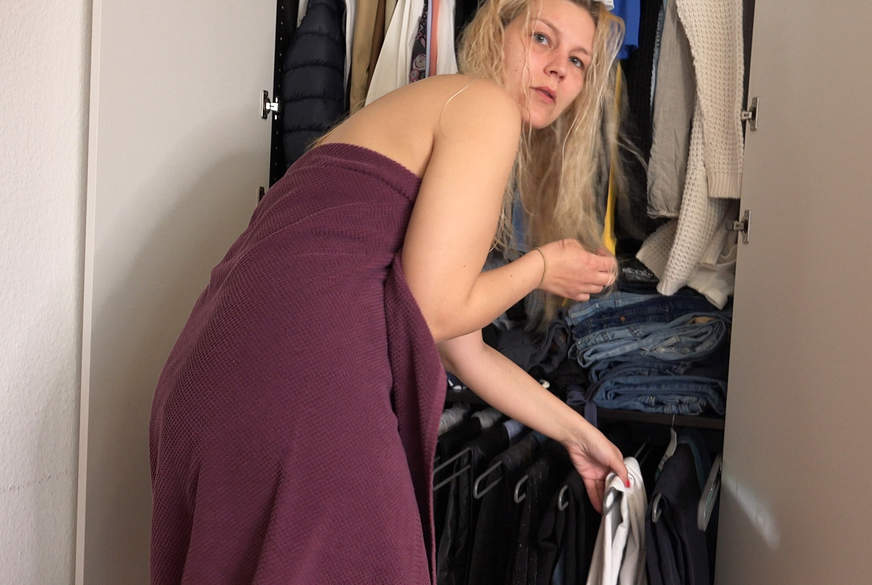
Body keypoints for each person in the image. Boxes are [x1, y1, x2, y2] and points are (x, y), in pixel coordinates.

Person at [149, 0, 631, 583]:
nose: (558, 68)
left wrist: (579, 435)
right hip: (295, 378)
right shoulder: (482, 107)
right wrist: (541, 267)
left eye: (578, 60)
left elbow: (464, 347)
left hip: (217, 375)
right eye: (542, 39)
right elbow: (435, 312)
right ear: (496, 35)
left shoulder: (448, 107)